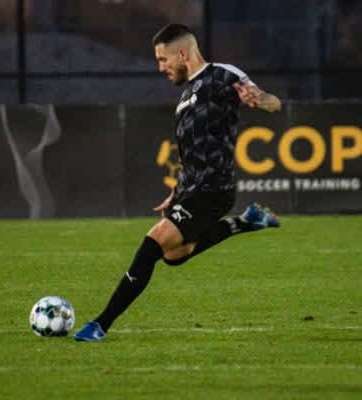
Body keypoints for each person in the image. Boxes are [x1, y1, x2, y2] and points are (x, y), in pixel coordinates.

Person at [74, 24, 282, 342]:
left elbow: (273, 102)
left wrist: (260, 99)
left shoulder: (221, 76)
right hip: (192, 188)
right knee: (175, 255)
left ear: (182, 54)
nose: (161, 68)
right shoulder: (185, 97)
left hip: (214, 189)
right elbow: (192, 154)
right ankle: (245, 222)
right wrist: (176, 191)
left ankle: (100, 324)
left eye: (163, 59)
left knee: (152, 244)